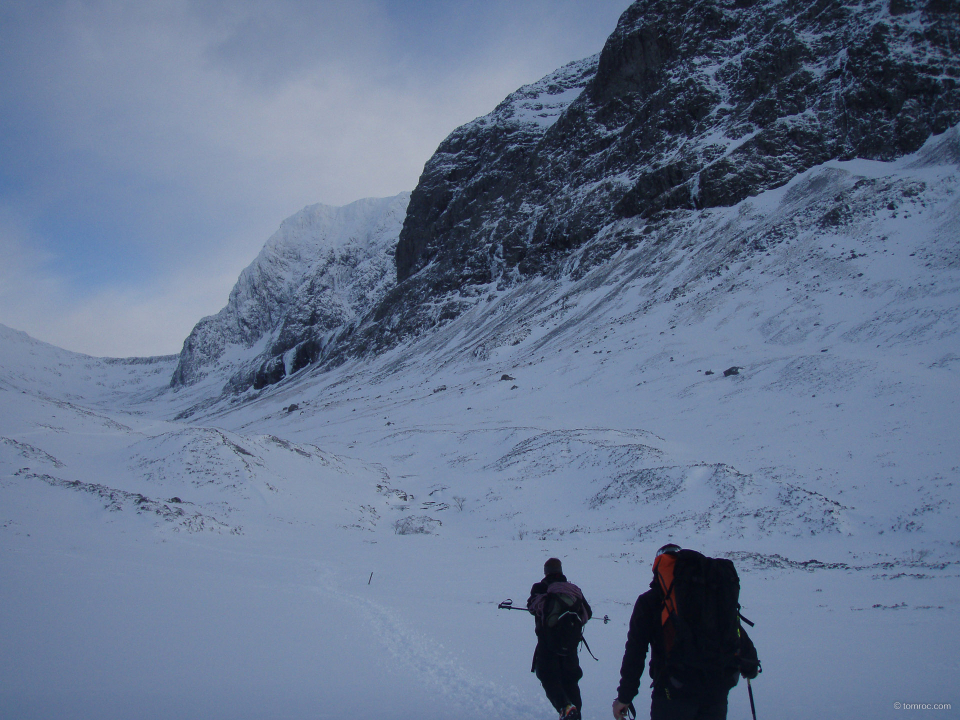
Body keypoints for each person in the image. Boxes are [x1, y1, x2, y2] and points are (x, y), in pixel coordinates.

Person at [612, 544, 760, 720]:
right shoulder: (707, 599)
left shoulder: (650, 602)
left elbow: (635, 652)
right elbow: (733, 629)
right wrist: (749, 665)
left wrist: (625, 697)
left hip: (672, 693)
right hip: (716, 691)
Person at [527, 557, 593, 720]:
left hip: (547, 643)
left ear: (546, 571)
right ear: (561, 571)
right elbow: (588, 613)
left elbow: (532, 607)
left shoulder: (540, 587)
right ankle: (575, 713)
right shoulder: (573, 589)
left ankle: (565, 707)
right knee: (570, 679)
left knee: (547, 675)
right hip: (570, 644)